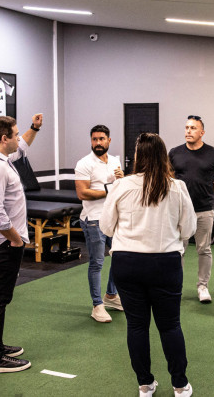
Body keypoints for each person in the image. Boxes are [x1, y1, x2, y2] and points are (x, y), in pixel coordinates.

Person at [100, 133, 197, 397]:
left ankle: (145, 384)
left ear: (138, 156)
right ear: (164, 156)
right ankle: (180, 385)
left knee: (137, 326)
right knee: (170, 326)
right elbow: (188, 229)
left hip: (127, 263)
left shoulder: (121, 186)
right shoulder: (176, 187)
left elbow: (106, 226)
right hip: (165, 263)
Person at [0, 114, 42, 374]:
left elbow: (21, 147)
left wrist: (34, 128)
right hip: (3, 243)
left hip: (3, 241)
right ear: (4, 139)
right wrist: (15, 239)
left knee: (0, 299)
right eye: (14, 134)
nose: (17, 138)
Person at [168, 115, 214, 303]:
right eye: (186, 127)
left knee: (204, 249)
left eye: (193, 128)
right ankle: (176, 285)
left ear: (202, 132)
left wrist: (206, 191)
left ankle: (203, 287)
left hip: (204, 209)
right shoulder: (175, 152)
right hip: (179, 210)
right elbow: (170, 179)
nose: (188, 131)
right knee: (179, 249)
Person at [75, 124, 125, 322]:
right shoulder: (84, 163)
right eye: (94, 139)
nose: (98, 143)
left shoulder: (115, 160)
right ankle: (97, 305)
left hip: (114, 217)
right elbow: (82, 193)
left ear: (109, 140)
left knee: (120, 258)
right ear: (91, 140)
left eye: (101, 139)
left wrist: (122, 180)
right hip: (93, 220)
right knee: (97, 263)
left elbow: (119, 187)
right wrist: (109, 190)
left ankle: (111, 295)